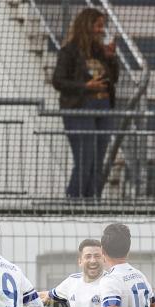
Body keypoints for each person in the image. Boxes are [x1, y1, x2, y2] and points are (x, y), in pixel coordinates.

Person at [52, 8, 119, 200]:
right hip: (80, 109)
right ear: (86, 26)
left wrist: (111, 59)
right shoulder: (69, 51)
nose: (101, 30)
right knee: (85, 160)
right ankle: (74, 204)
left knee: (98, 162)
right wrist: (84, 85)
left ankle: (92, 204)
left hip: (103, 108)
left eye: (102, 26)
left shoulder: (99, 51)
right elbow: (58, 81)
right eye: (98, 25)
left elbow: (113, 79)